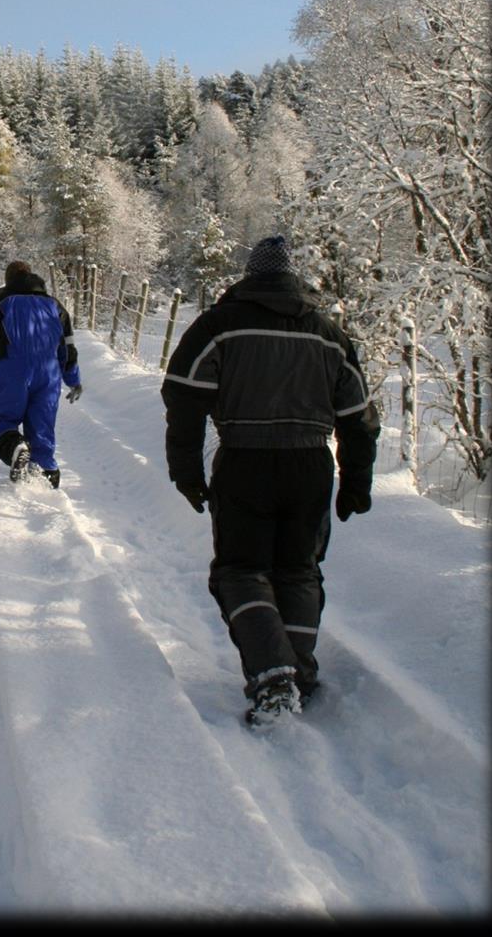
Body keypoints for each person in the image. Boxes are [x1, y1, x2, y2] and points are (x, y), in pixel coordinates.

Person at [161, 235, 380, 726]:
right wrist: (355, 481)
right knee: (299, 569)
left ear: (249, 274)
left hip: (245, 462)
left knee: (240, 570)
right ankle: (297, 671)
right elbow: (359, 415)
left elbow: (184, 396)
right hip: (310, 467)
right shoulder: (328, 334)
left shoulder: (219, 326)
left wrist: (187, 472)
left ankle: (273, 675)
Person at [0, 260, 82, 487]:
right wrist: (73, 380)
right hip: (49, 375)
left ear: (7, 281)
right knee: (42, 427)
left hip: (12, 371)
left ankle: (15, 445)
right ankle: (46, 476)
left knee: (2, 421)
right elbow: (68, 347)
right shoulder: (55, 306)